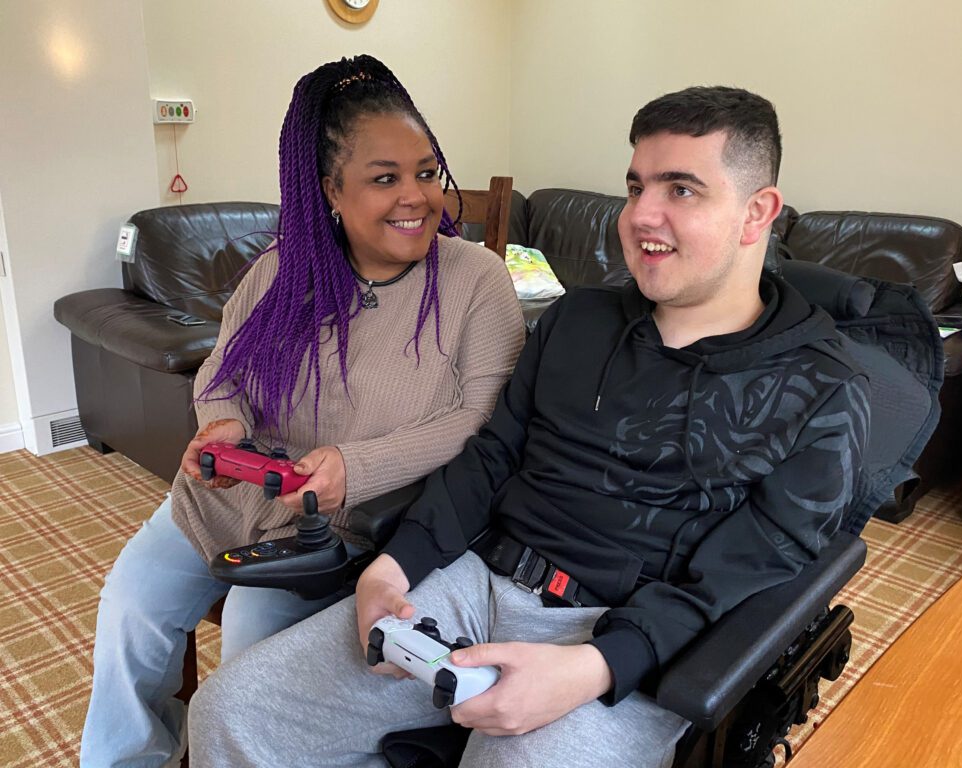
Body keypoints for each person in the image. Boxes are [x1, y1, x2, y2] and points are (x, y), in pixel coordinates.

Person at [187, 86, 870, 768]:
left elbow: (738, 576)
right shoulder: (577, 322)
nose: (641, 216)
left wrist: (594, 667)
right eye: (635, 188)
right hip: (469, 584)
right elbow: (491, 456)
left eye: (682, 190)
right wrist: (392, 569)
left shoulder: (822, 391)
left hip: (622, 637)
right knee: (230, 713)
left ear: (758, 213)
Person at [80, 56, 524, 767]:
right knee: (131, 614)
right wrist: (220, 424)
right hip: (230, 498)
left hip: (337, 531)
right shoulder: (288, 269)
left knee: (254, 660)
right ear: (332, 192)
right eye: (385, 178)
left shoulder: (478, 282)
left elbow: (480, 419)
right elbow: (223, 371)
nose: (417, 197)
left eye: (428, 171)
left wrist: (357, 466)